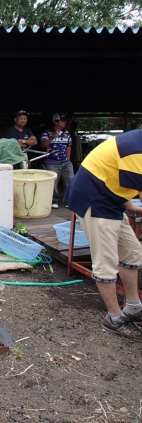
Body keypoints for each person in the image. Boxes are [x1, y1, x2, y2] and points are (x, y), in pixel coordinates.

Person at [65, 129, 142, 341]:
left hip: (112, 197)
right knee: (106, 261)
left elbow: (116, 171)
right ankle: (114, 318)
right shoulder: (137, 152)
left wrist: (129, 204)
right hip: (95, 198)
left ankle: (134, 307)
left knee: (133, 252)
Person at [40, 113, 74, 209]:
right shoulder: (47, 133)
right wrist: (52, 137)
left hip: (65, 162)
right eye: (62, 121)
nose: (65, 123)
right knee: (53, 183)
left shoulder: (67, 133)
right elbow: (43, 144)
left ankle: (69, 200)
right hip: (51, 162)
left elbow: (69, 147)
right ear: (55, 122)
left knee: (70, 180)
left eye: (65, 121)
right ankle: (54, 200)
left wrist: (68, 159)